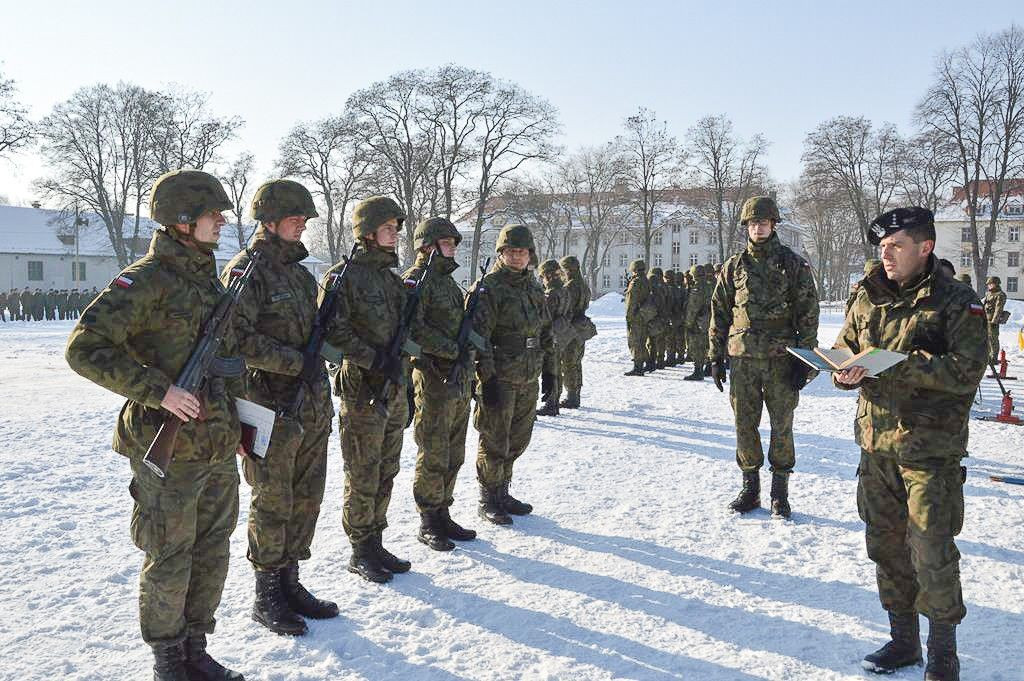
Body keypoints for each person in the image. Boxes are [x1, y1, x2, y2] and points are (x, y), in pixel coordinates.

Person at [65, 169, 245, 681]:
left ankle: (195, 646)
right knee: (169, 552)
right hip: (165, 448)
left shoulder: (211, 281)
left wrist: (238, 428)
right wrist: (157, 389)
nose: (222, 221)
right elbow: (84, 349)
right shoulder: (144, 281)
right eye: (214, 213)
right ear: (183, 220)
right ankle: (168, 659)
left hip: (214, 442)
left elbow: (226, 362)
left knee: (213, 549)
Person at [835, 207, 986, 681]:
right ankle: (904, 641)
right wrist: (843, 371)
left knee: (931, 549)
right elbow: (846, 345)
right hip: (876, 444)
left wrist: (898, 364)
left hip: (929, 449)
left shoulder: (957, 301)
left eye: (895, 245)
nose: (886, 254)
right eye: (881, 247)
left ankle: (943, 654)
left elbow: (966, 372)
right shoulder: (866, 294)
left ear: (925, 247)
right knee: (885, 546)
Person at [221, 179, 337, 636]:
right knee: (273, 499)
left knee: (308, 496)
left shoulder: (301, 274)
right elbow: (236, 340)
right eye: (294, 217)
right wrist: (294, 363)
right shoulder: (246, 271)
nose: (302, 224)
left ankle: (291, 580)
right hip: (269, 406)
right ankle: (266, 592)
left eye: (305, 218)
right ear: (268, 220)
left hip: (310, 404)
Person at [709, 196, 819, 518]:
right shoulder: (734, 266)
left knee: (782, 425)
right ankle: (751, 487)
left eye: (764, 222)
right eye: (753, 223)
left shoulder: (793, 264)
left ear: (773, 225)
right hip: (743, 360)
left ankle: (780, 492)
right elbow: (719, 313)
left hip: (781, 359)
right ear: (746, 227)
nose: (758, 228)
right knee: (745, 424)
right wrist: (715, 356)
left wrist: (805, 359)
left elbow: (808, 314)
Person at [321, 196, 411, 584]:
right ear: (368, 233)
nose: (395, 235)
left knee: (387, 468)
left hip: (393, 390)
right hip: (361, 391)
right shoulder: (342, 277)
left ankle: (375, 539)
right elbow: (332, 333)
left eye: (396, 229)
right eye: (388, 228)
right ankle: (360, 548)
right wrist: (373, 359)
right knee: (363, 471)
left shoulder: (392, 279)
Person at [470, 224, 553, 525]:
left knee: (518, 438)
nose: (517, 256)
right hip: (500, 375)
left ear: (530, 255)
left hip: (528, 374)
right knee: (494, 438)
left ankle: (503, 490)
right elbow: (479, 337)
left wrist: (550, 371)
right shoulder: (489, 287)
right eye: (511, 251)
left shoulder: (534, 287)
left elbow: (544, 330)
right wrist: (486, 379)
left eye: (523, 251)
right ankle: (488, 497)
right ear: (502, 253)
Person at [404, 217, 478, 552]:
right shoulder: (417, 281)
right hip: (433, 379)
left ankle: (444, 510)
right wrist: (451, 349)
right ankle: (429, 518)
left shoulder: (446, 282)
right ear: (428, 245)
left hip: (457, 381)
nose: (453, 248)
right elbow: (411, 331)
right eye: (448, 243)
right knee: (433, 451)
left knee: (454, 451)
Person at [536, 258, 571, 417]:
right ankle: (554, 401)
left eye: (543, 276)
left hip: (550, 336)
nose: (542, 279)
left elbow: (545, 318)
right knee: (557, 368)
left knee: (550, 370)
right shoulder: (564, 290)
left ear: (548, 276)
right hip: (562, 333)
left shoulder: (551, 294)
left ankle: (551, 404)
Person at [558, 256, 592, 408]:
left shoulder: (570, 286)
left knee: (568, 363)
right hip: (580, 328)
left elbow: (565, 308)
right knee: (576, 362)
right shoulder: (584, 285)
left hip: (570, 328)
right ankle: (575, 394)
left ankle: (572, 397)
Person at [623, 259, 651, 376]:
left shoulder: (635, 282)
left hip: (636, 316)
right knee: (642, 340)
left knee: (635, 342)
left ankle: (638, 367)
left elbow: (631, 301)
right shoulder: (646, 280)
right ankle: (645, 363)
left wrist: (629, 317)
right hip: (645, 315)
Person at [682, 264, 709, 381]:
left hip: (698, 323)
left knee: (697, 347)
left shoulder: (697, 288)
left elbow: (693, 308)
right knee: (706, 346)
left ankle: (698, 372)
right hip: (707, 321)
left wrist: (688, 324)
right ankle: (704, 369)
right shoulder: (710, 286)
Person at [983, 276, 1007, 365]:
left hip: (992, 321)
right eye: (988, 284)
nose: (989, 286)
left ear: (995, 284)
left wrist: (994, 321)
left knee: (993, 339)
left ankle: (993, 358)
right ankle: (987, 356)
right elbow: (984, 305)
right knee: (986, 339)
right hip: (985, 319)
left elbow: (998, 309)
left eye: (990, 284)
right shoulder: (988, 294)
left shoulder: (1000, 295)